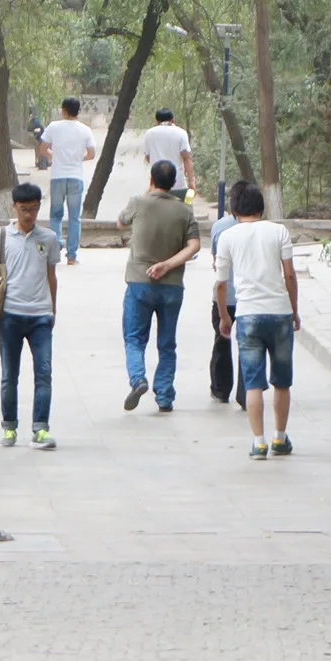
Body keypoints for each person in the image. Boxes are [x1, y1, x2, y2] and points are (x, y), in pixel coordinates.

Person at [214, 183, 299, 460]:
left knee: (253, 383)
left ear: (234, 209)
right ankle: (280, 438)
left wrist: (225, 317)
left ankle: (258, 442)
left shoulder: (228, 237)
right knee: (282, 382)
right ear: (262, 208)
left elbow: (220, 284)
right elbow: (289, 275)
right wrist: (294, 310)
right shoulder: (279, 232)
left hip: (247, 314)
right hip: (279, 312)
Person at [118, 159, 200, 412]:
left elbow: (121, 222)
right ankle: (164, 395)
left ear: (151, 180)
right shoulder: (185, 211)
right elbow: (194, 245)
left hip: (139, 282)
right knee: (167, 343)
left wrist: (147, 193)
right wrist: (167, 265)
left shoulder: (138, 202)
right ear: (174, 183)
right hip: (172, 285)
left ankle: (138, 378)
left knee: (134, 338)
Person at [0, 180, 60, 449]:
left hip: (40, 316)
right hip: (11, 315)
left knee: (44, 372)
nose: (29, 215)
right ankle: (9, 427)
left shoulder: (48, 239)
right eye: (24, 209)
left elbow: (52, 276)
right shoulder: (0, 237)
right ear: (14, 206)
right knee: (9, 375)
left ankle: (40, 428)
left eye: (34, 209)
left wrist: (52, 309)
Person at [35, 96, 96, 266]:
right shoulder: (85, 130)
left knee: (56, 215)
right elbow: (91, 154)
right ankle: (71, 256)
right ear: (78, 111)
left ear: (63, 110)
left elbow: (42, 149)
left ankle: (55, 249)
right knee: (75, 217)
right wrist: (78, 159)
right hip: (75, 177)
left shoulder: (54, 127)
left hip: (57, 177)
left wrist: (54, 156)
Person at [209, 179, 248, 406]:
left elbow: (216, 261)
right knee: (247, 345)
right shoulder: (263, 229)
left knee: (221, 341)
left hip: (223, 295)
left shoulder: (220, 227)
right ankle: (245, 393)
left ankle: (220, 389)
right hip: (247, 297)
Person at [139, 107, 194, 193]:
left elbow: (148, 157)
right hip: (178, 183)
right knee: (185, 205)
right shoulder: (181, 133)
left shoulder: (149, 134)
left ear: (157, 121)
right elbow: (187, 159)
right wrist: (191, 182)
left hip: (156, 184)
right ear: (172, 120)